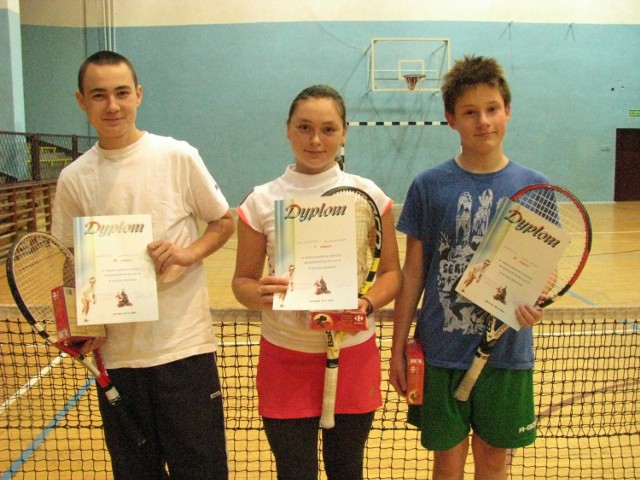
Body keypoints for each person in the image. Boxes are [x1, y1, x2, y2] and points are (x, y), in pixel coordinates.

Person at [51, 50, 234, 480]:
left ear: (138, 95)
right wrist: (81, 325)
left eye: (121, 93)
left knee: (203, 472)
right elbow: (69, 262)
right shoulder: (74, 178)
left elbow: (223, 221)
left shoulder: (177, 156)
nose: (111, 105)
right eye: (99, 95)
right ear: (82, 101)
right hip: (117, 360)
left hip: (184, 351)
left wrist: (188, 253)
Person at [389, 55, 547, 480]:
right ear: (450, 119)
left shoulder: (536, 187)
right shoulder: (428, 185)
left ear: (508, 111)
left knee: (495, 460)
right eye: (470, 112)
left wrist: (536, 301)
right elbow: (413, 273)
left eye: (492, 109)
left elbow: (540, 275)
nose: (483, 121)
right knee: (447, 462)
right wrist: (398, 344)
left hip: (507, 353)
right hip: (441, 350)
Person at [232, 84, 402, 480]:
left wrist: (368, 304)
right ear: (287, 130)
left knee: (347, 470)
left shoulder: (370, 195)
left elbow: (393, 273)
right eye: (304, 127)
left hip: (353, 355)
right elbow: (241, 283)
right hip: (285, 356)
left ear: (344, 133)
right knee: (294, 472)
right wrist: (261, 294)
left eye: (328, 129)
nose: (315, 139)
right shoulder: (260, 201)